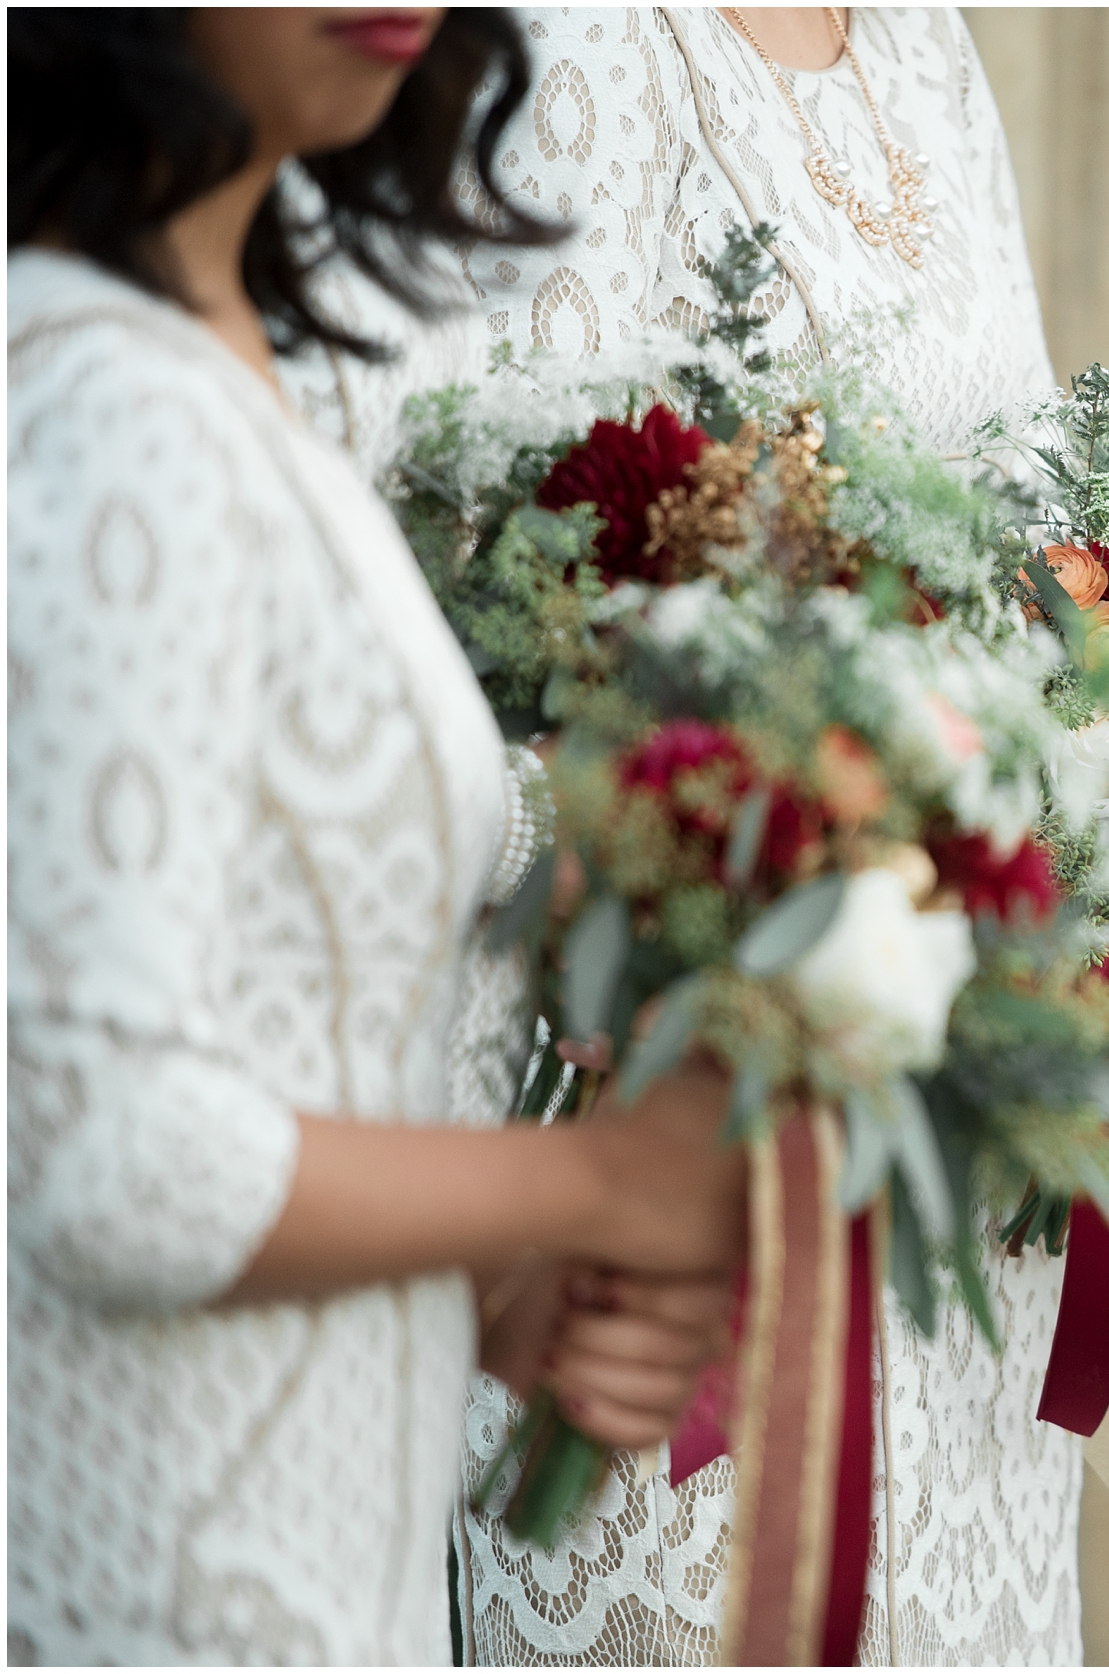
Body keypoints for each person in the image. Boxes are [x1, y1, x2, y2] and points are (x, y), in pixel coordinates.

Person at [326, 9, 1074, 1664]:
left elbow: (1035, 510)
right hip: (660, 1034)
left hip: (928, 1034)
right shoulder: (548, 40)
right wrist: (666, 844)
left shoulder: (928, 42)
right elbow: (461, 542)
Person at [7, 11, 745, 1663]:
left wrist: (494, 1290)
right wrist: (594, 1176)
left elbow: (263, 1036)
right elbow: (101, 1153)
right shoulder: (113, 413)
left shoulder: (217, 375)